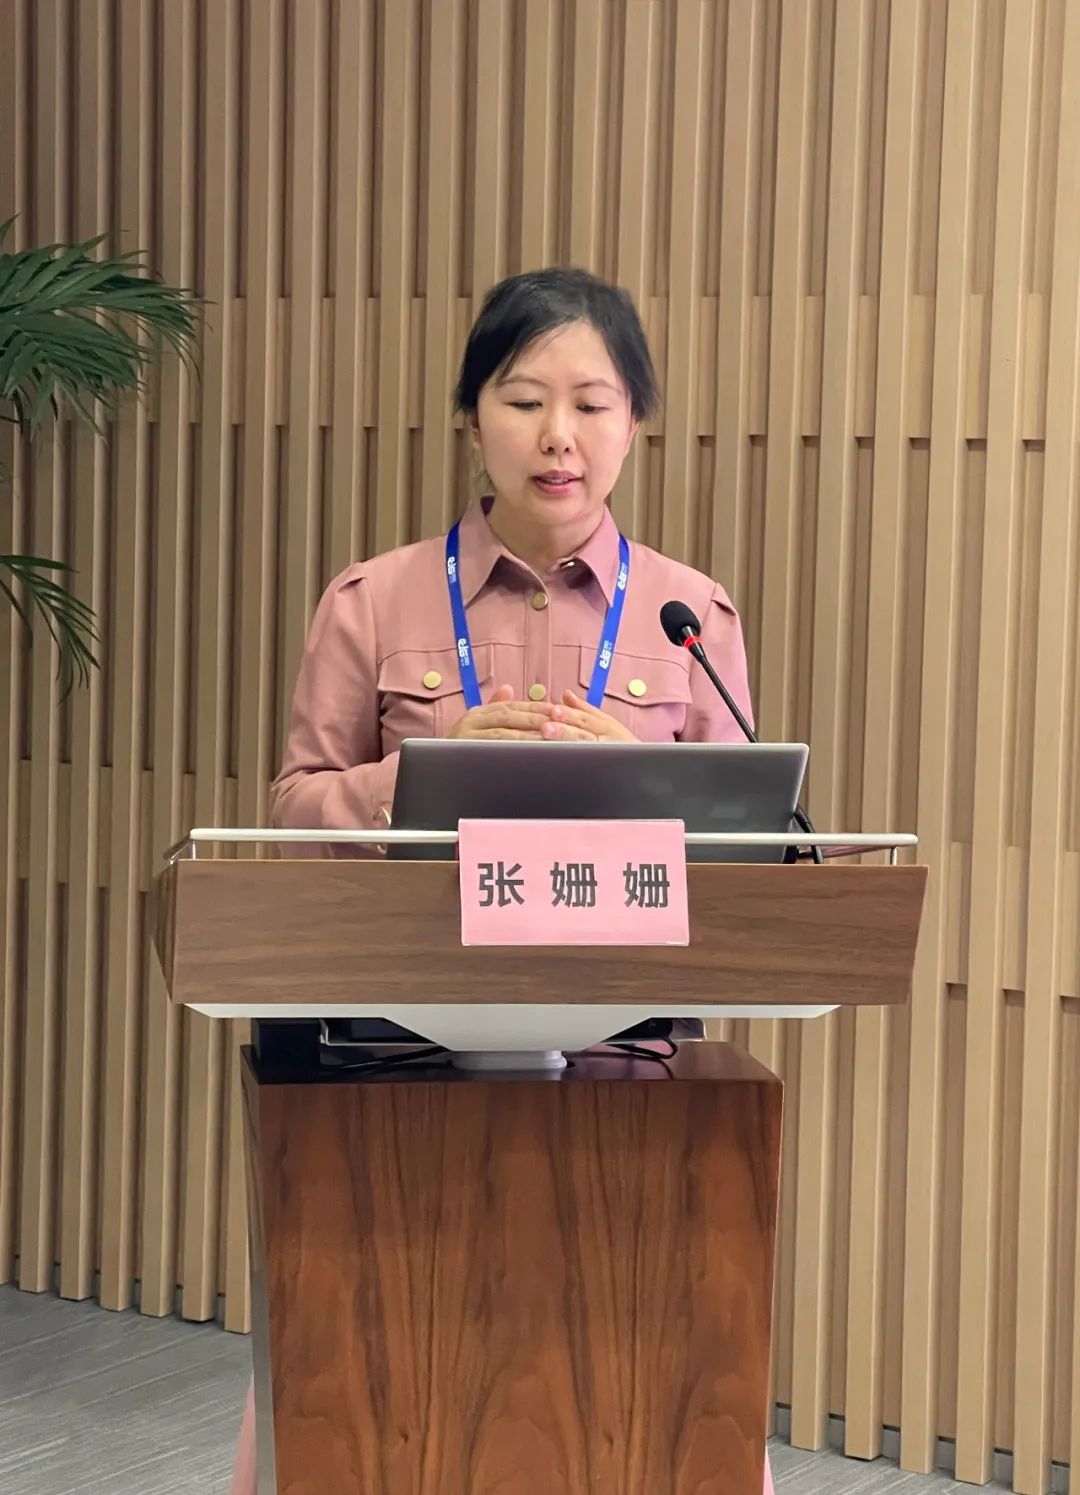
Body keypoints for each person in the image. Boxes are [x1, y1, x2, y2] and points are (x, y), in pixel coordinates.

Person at [231, 268, 774, 1495]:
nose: (558, 435)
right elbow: (295, 805)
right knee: (387, 1391)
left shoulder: (689, 615)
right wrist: (417, 775)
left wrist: (646, 779)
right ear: (473, 415)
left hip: (630, 1061)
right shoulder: (374, 599)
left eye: (592, 402)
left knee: (634, 1391)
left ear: (636, 421)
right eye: (525, 400)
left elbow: (749, 844)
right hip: (397, 1054)